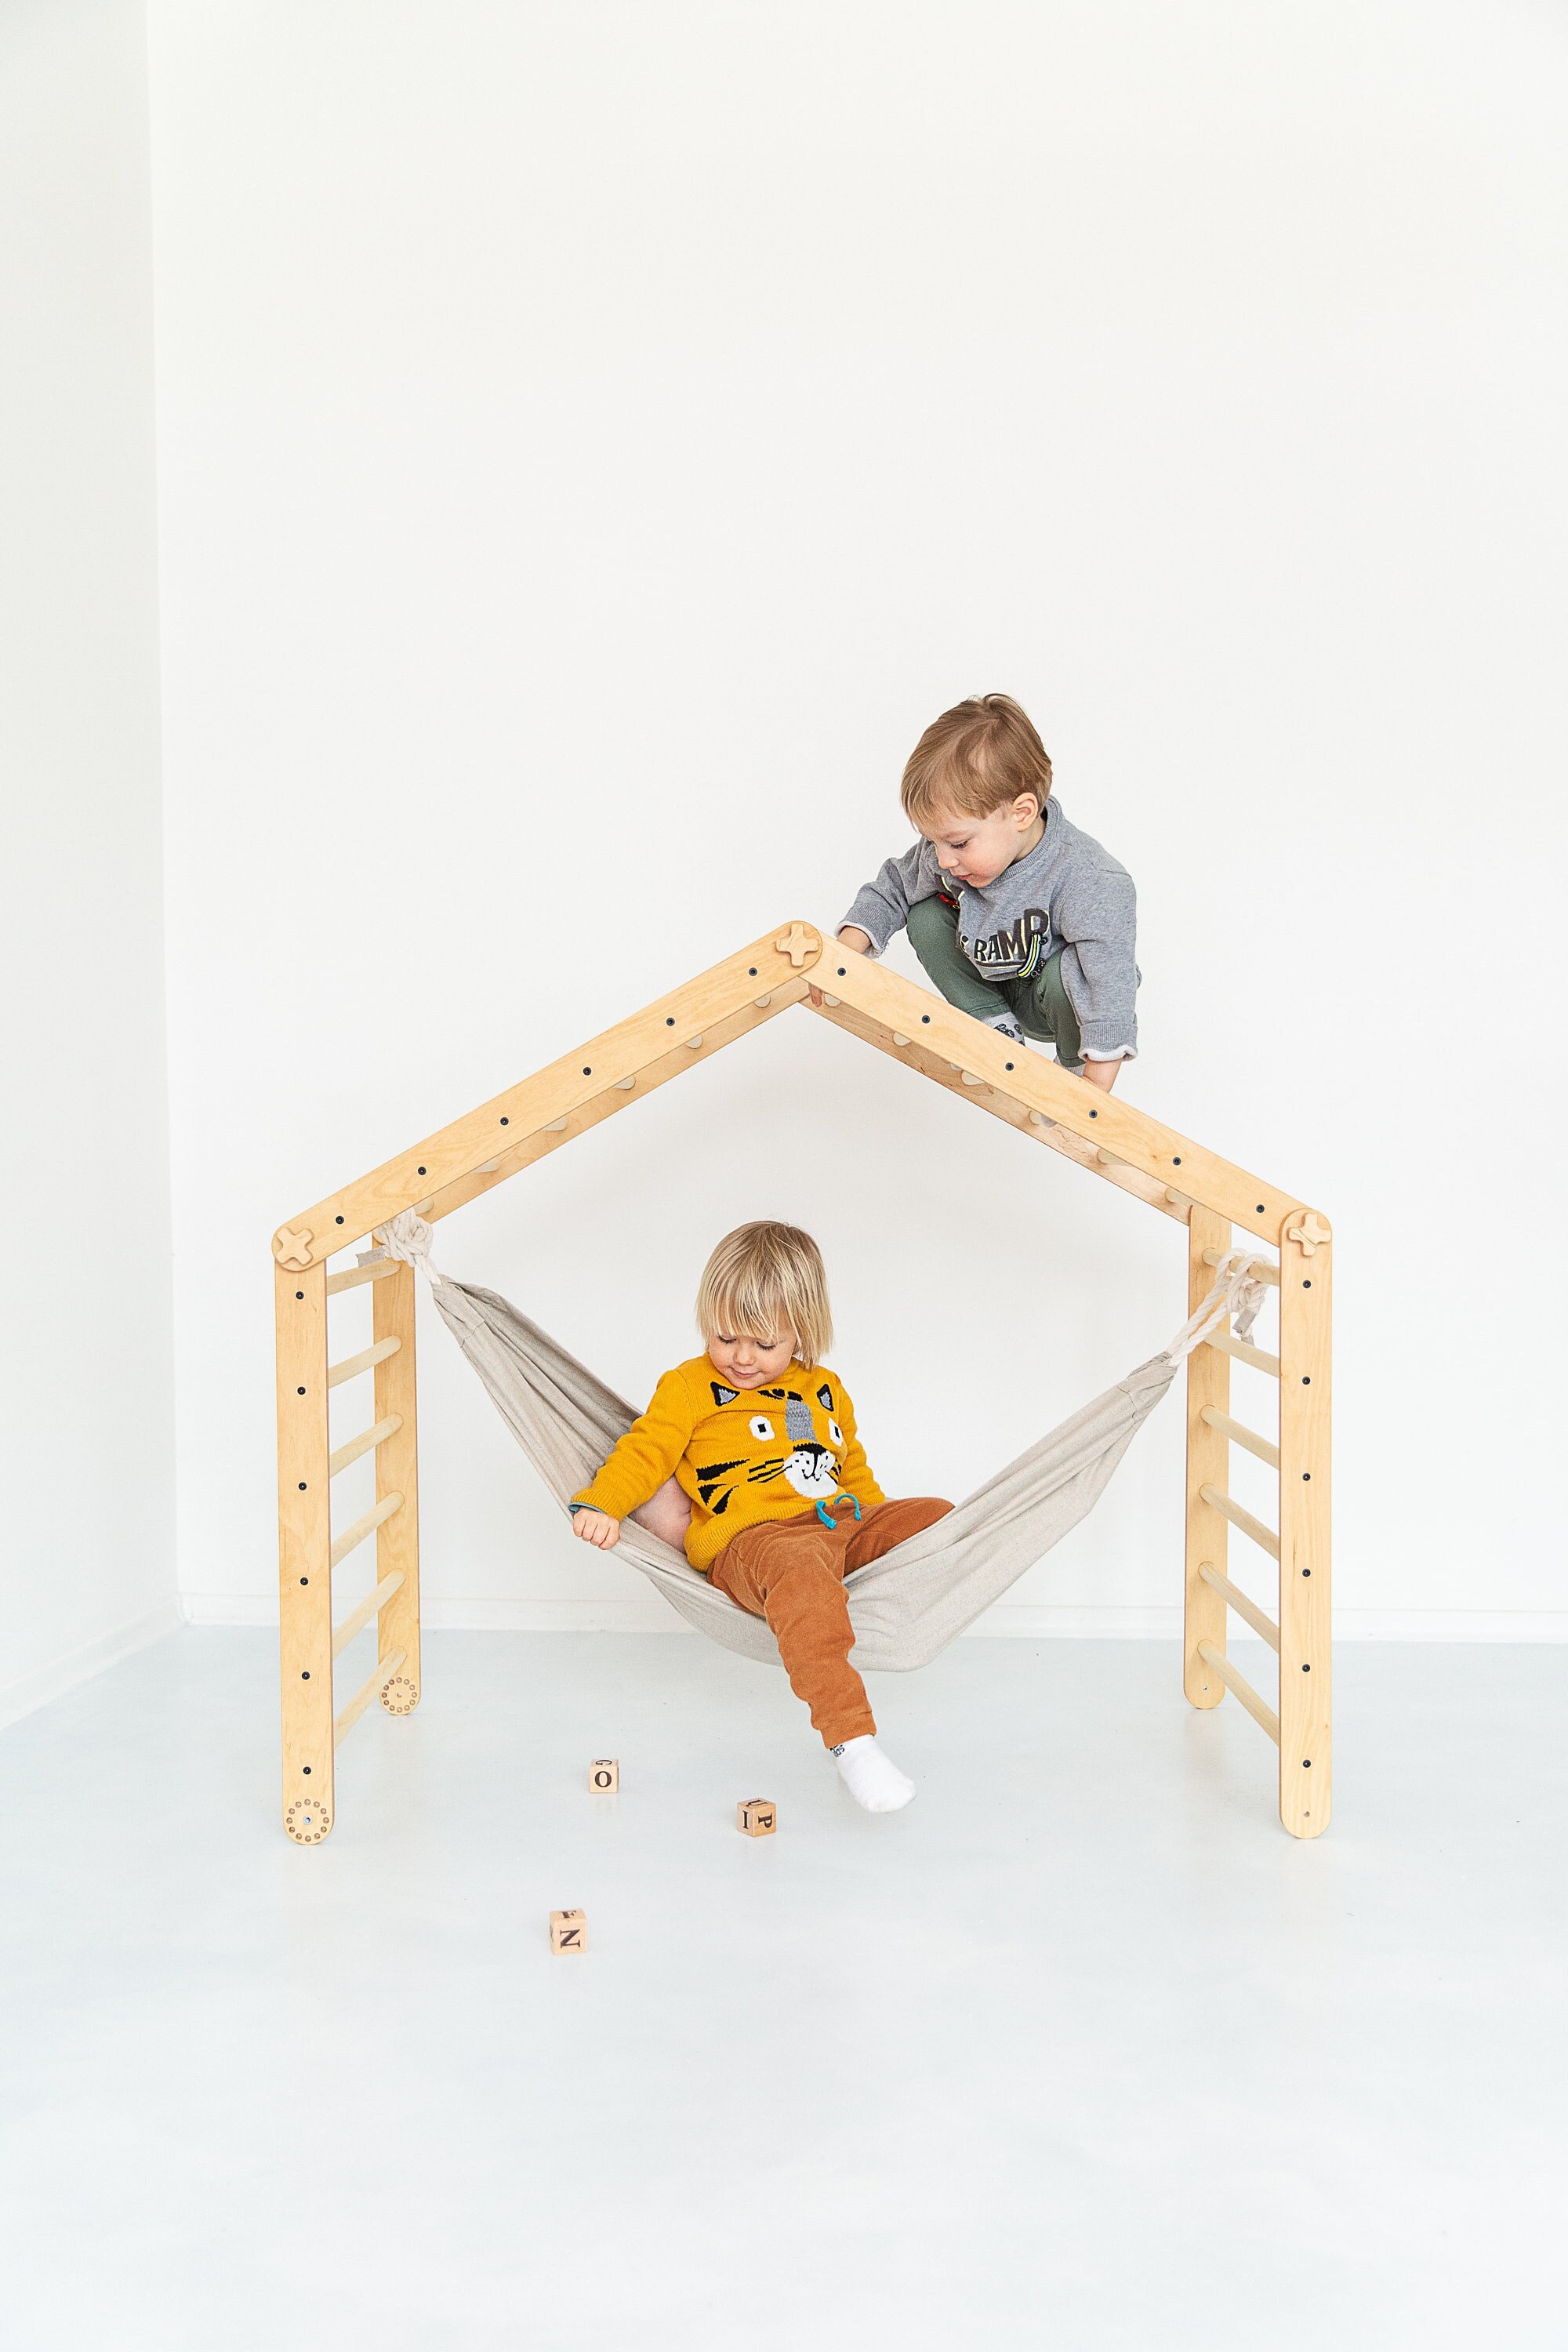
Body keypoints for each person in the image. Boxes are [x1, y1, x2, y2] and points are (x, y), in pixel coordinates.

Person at [569, 1221, 949, 1813]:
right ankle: (852, 1741)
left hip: (835, 1525)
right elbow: (647, 1451)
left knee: (940, 1518)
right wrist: (604, 1502)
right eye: (726, 1337)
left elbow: (849, 1469)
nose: (742, 1357)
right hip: (754, 1543)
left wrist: (880, 1527)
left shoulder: (824, 1390)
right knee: (801, 1574)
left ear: (802, 1332)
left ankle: (859, 1579)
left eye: (764, 1344)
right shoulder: (690, 1386)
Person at [837, 691, 1138, 1088]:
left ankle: (1072, 1067)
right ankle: (992, 1024)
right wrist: (843, 954)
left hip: (1053, 1000)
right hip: (992, 981)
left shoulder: (1089, 878)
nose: (943, 859)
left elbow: (1110, 984)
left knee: (1073, 969)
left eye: (958, 843)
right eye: (933, 841)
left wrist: (1096, 1085)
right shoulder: (947, 856)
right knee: (925, 915)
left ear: (1021, 813)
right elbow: (893, 886)